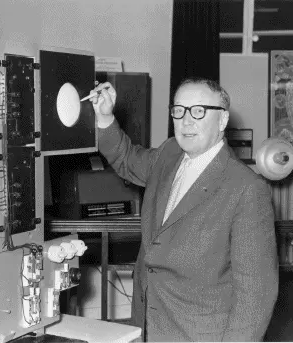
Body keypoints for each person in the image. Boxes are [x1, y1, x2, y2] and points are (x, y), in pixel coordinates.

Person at [89, 77, 278, 342]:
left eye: (199, 111)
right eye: (179, 110)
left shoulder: (246, 188)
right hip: (147, 326)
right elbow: (127, 159)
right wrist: (105, 116)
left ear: (222, 121)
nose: (186, 121)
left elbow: (256, 295)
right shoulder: (169, 153)